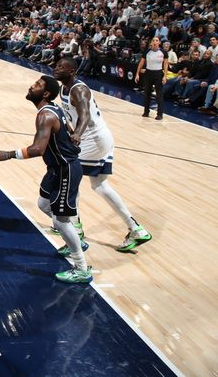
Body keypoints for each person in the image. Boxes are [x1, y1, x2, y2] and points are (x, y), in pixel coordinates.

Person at [0, 75, 91, 284]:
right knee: (43, 203)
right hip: (56, 168)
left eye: (37, 85)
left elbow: (38, 149)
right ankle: (74, 235)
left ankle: (81, 268)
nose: (31, 86)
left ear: (45, 94)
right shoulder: (54, 109)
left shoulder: (45, 115)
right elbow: (69, 131)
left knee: (60, 221)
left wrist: (9, 154)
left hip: (66, 169)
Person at [54, 58, 152, 252]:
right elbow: (70, 115)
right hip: (100, 137)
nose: (56, 68)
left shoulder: (79, 90)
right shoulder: (62, 88)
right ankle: (136, 229)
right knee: (99, 185)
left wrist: (77, 135)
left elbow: (85, 116)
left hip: (93, 138)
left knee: (67, 177)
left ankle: (75, 230)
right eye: (56, 65)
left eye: (61, 67)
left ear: (72, 71)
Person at [135, 36, 168, 120]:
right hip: (148, 73)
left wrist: (165, 76)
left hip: (158, 73)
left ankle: (160, 114)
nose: (155, 42)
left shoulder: (163, 52)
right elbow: (141, 63)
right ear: (151, 43)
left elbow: (165, 64)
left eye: (156, 40)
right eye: (153, 40)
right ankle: (146, 111)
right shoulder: (147, 52)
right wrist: (137, 74)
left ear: (159, 43)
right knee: (147, 94)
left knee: (159, 94)